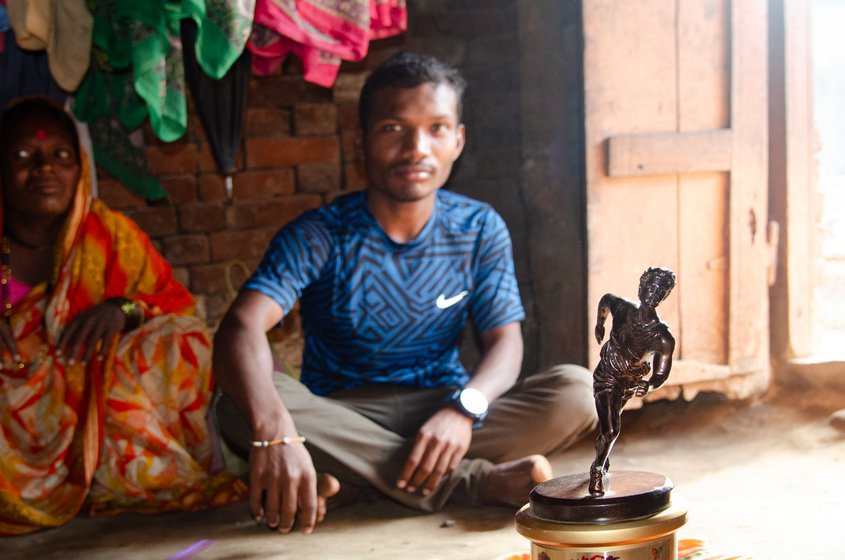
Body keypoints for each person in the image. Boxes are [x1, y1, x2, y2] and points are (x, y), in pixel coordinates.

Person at [212, 51, 597, 535]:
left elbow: (506, 342)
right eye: (394, 128)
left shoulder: (478, 228)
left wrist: (464, 408)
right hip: (342, 412)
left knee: (579, 392)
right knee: (238, 406)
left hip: (444, 408)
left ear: (458, 141)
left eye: (436, 128)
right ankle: (473, 484)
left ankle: (359, 482)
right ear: (363, 142)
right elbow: (240, 326)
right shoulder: (319, 234)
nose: (417, 148)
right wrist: (277, 431)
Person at [0, 96, 246, 536]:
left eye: (61, 156)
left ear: (80, 167)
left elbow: (175, 305)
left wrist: (123, 310)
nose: (45, 169)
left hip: (92, 393)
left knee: (179, 338)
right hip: (11, 412)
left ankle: (118, 476)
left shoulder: (107, 234)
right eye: (23, 157)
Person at [589, 267, 676, 495]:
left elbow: (661, 372)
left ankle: (602, 455)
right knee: (610, 431)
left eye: (660, 291)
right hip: (606, 376)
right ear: (640, 287)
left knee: (608, 426)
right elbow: (605, 300)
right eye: (649, 287)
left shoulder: (662, 337)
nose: (652, 293)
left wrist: (651, 385)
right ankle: (597, 470)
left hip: (628, 384)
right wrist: (600, 324)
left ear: (664, 297)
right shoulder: (623, 309)